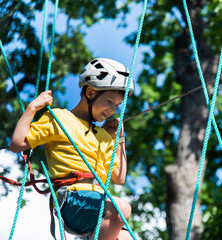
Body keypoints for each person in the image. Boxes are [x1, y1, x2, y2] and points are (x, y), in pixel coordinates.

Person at [9, 58, 134, 240]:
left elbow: (119, 178)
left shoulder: (104, 136)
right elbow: (16, 144)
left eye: (117, 105)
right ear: (90, 92)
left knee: (127, 238)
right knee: (121, 208)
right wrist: (32, 107)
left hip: (97, 203)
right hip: (71, 199)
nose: (113, 109)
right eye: (109, 101)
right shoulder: (60, 119)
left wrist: (119, 139)